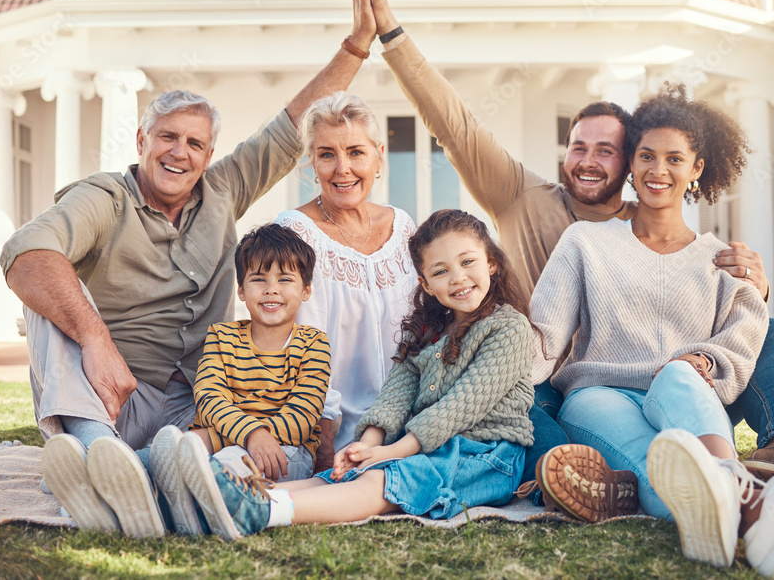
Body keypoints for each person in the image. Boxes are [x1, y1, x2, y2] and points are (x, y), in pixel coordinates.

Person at [351, 0, 774, 492]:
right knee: (521, 402)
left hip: (663, 375)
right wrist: (393, 37)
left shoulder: (650, 226)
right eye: (578, 146)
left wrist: (755, 287)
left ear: (629, 162)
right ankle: (575, 476)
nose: (588, 160)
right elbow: (454, 124)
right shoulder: (525, 197)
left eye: (606, 150)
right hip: (547, 370)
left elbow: (711, 299)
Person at [3, 0, 379, 537]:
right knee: (49, 286)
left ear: (209, 154)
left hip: (194, 411)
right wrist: (97, 339)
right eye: (168, 138)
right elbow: (26, 252)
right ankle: (100, 457)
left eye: (195, 143)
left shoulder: (223, 189)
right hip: (109, 398)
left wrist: (356, 46)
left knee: (208, 446)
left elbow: (290, 126)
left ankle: (137, 476)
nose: (181, 154)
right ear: (141, 141)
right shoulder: (105, 197)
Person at [529, 84, 774, 576]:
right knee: (659, 462)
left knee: (680, 378)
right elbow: (545, 335)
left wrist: (703, 360)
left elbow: (751, 331)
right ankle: (765, 509)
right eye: (646, 157)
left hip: (686, 391)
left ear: (696, 169)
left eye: (674, 159)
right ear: (631, 166)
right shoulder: (585, 242)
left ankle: (740, 503)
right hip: (601, 395)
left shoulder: (723, 258)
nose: (659, 171)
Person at [170, 209, 536, 538]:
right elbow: (396, 395)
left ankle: (266, 510)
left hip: (487, 457)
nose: (457, 278)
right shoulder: (428, 329)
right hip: (429, 447)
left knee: (385, 478)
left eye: (468, 261)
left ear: (491, 262)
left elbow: (459, 407)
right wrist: (369, 445)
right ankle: (224, 499)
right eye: (440, 271)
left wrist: (390, 452)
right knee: (340, 475)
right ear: (425, 283)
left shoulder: (508, 328)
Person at [149, 223, 330, 535]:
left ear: (306, 290)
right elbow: (208, 400)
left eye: (285, 279)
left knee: (219, 457)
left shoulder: (314, 344)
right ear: (242, 290)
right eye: (259, 279)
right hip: (229, 439)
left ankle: (179, 508)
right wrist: (248, 433)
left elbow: (303, 416)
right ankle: (106, 483)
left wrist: (243, 438)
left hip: (284, 453)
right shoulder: (222, 337)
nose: (271, 289)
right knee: (167, 448)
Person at [275, 91, 417, 462]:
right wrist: (324, 447)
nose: (343, 169)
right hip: (334, 435)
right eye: (327, 155)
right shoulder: (295, 232)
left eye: (356, 152)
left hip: (411, 424)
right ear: (312, 163)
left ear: (378, 156)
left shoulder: (403, 228)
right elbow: (301, 348)